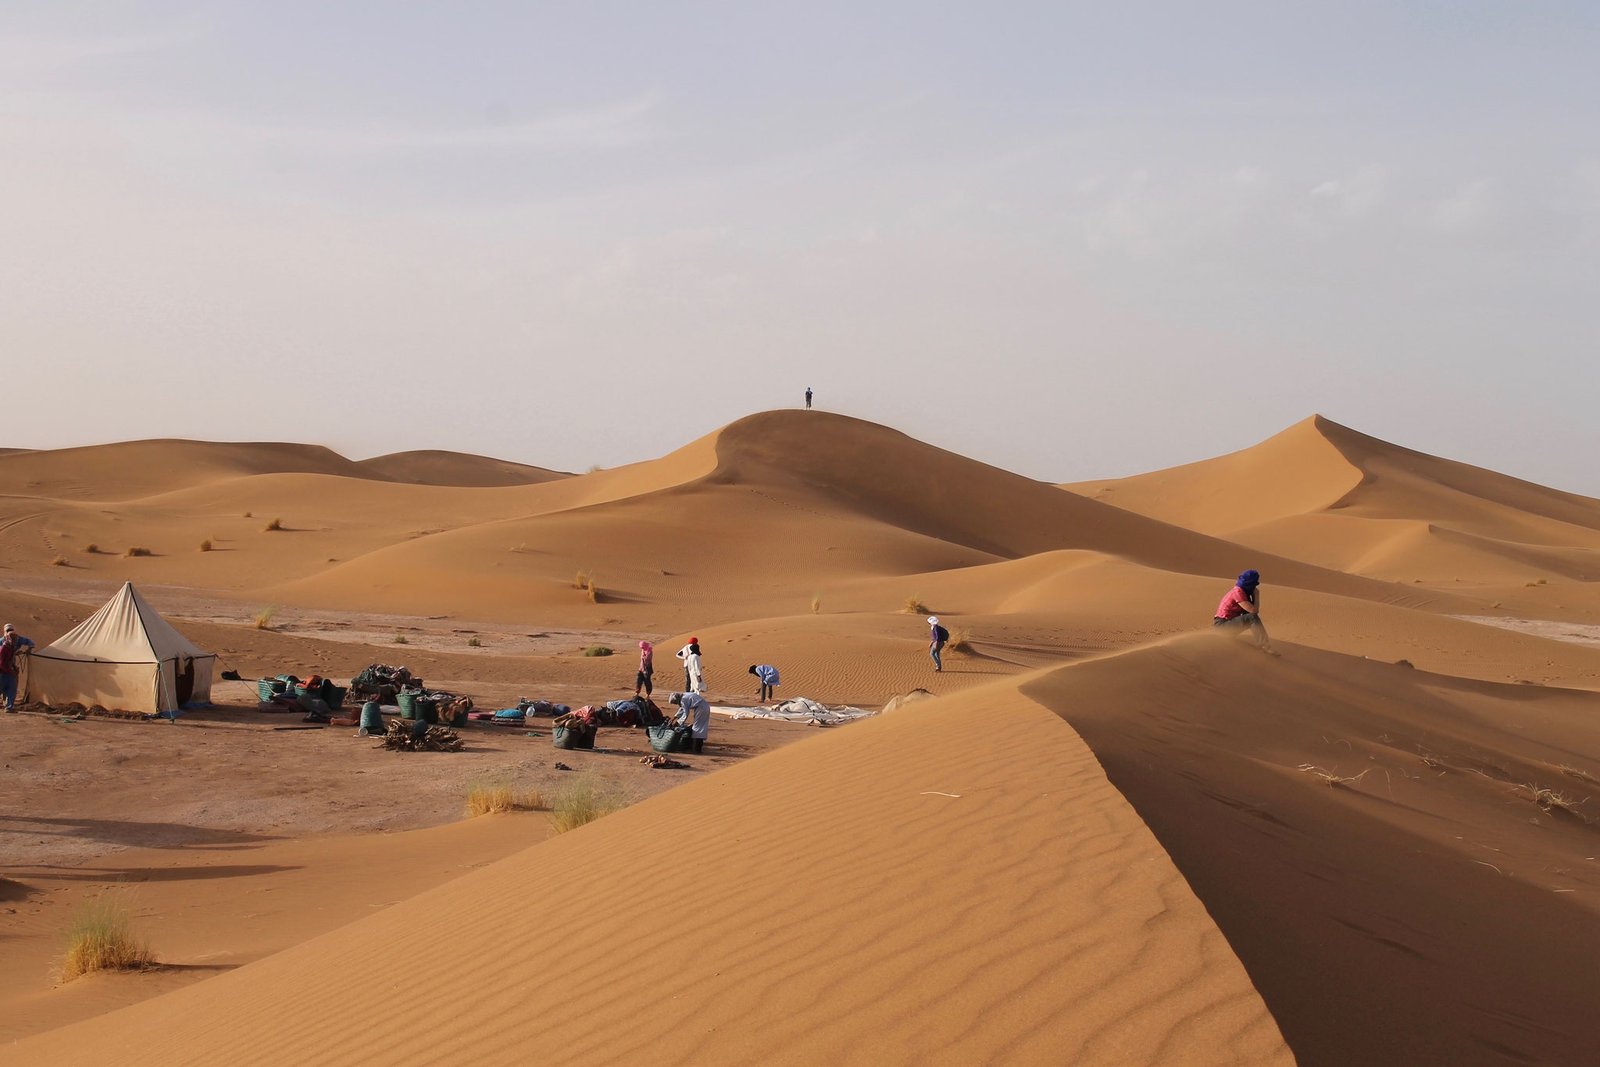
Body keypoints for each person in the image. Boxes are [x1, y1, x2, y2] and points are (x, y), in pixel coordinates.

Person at [1213, 569, 1277, 653]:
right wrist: (1256, 595)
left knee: (1251, 617)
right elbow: (1253, 611)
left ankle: (1262, 644)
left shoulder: (1243, 593)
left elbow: (1249, 613)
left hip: (1228, 625)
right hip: (1222, 626)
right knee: (1252, 617)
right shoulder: (1238, 592)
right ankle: (1265, 645)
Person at [0, 624, 35, 712]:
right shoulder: (3, 646)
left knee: (12, 687)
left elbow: (31, 643)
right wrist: (9, 670)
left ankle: (8, 706)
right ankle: (7, 705)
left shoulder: (15, 642)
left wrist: (29, 649)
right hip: (3, 669)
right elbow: (2, 662)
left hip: (10, 667)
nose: (14, 639)